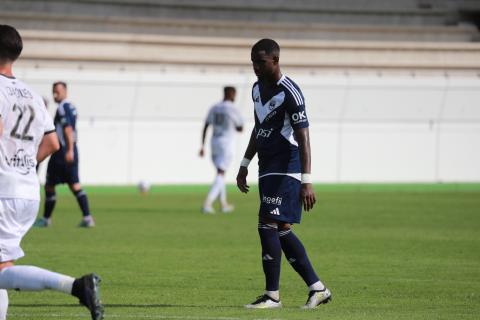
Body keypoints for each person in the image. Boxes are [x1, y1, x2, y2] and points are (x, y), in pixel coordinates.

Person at [0, 25, 104, 320]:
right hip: (25, 192)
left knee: (2, 270)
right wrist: (23, 166)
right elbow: (52, 142)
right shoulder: (31, 95)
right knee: (3, 266)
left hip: (3, 192)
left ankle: (76, 286)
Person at [236, 39, 331, 309]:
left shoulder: (291, 92)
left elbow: (304, 139)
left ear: (275, 61)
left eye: (261, 62)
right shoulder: (256, 89)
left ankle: (272, 295)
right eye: (253, 61)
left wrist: (306, 180)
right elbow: (259, 127)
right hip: (266, 166)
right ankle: (318, 288)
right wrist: (244, 163)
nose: (255, 67)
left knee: (266, 222)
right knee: (281, 229)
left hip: (287, 167)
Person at [34, 81, 95, 227]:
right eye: (54, 91)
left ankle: (46, 219)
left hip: (62, 152)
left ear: (65, 91)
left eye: (58, 91)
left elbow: (67, 130)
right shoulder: (71, 107)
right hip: (72, 150)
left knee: (49, 185)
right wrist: (72, 149)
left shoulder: (62, 108)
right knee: (75, 185)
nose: (55, 94)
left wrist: (68, 150)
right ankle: (87, 218)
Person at [199, 86, 243, 213]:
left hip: (214, 143)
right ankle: (207, 203)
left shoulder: (214, 108)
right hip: (226, 144)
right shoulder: (233, 109)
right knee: (220, 174)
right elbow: (240, 127)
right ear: (232, 94)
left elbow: (206, 126)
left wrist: (202, 146)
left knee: (220, 174)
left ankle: (223, 204)